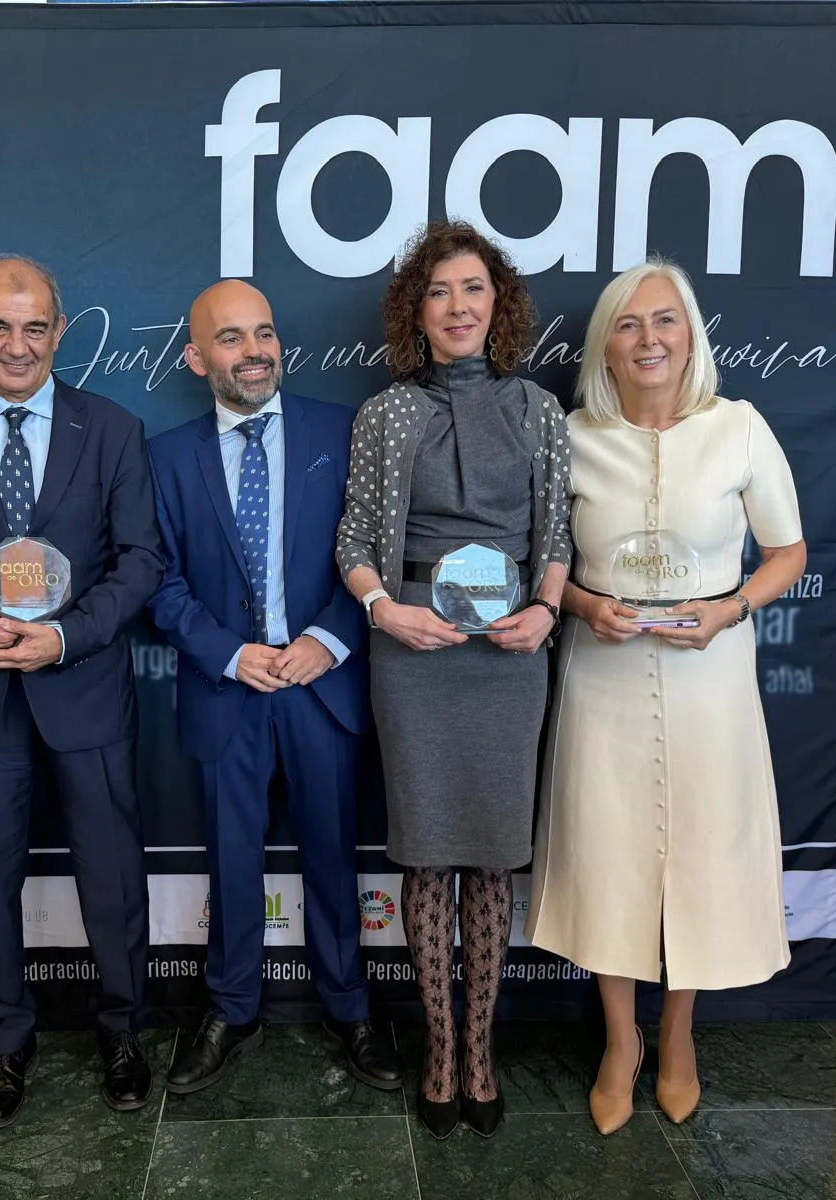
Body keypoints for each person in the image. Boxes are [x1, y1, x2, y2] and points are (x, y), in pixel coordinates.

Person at [525, 258, 808, 1135]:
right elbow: (542, 561)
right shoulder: (570, 434)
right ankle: (622, 1041)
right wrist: (581, 603)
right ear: (604, 346)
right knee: (607, 855)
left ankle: (678, 1035)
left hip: (709, 682)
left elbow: (789, 551)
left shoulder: (741, 429)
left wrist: (732, 609)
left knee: (698, 859)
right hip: (601, 674)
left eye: (667, 321)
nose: (649, 339)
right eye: (628, 323)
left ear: (692, 336)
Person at [0, 254, 164, 1125]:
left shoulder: (115, 428)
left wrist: (61, 637)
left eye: (35, 326)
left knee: (115, 876)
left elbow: (140, 564)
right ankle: (4, 1047)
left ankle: (124, 1034)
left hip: (82, 687)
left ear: (60, 328)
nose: (18, 345)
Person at [336, 219, 571, 1139]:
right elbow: (355, 540)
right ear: (417, 313)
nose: (459, 306)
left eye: (474, 289)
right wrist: (383, 611)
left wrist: (549, 611)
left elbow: (556, 533)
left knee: (490, 857)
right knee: (429, 855)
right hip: (416, 651)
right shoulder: (384, 414)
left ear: (497, 304)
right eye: (439, 292)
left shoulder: (538, 411)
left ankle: (482, 1050)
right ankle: (438, 1054)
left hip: (509, 656)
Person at [148, 280, 404, 1096]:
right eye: (231, 338)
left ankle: (349, 1007)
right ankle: (231, 1009)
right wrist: (229, 654)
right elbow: (158, 582)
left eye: (264, 332)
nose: (254, 350)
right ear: (197, 358)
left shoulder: (342, 430)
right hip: (228, 690)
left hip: (322, 685)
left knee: (334, 853)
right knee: (231, 860)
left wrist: (328, 640)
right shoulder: (164, 457)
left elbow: (377, 550)